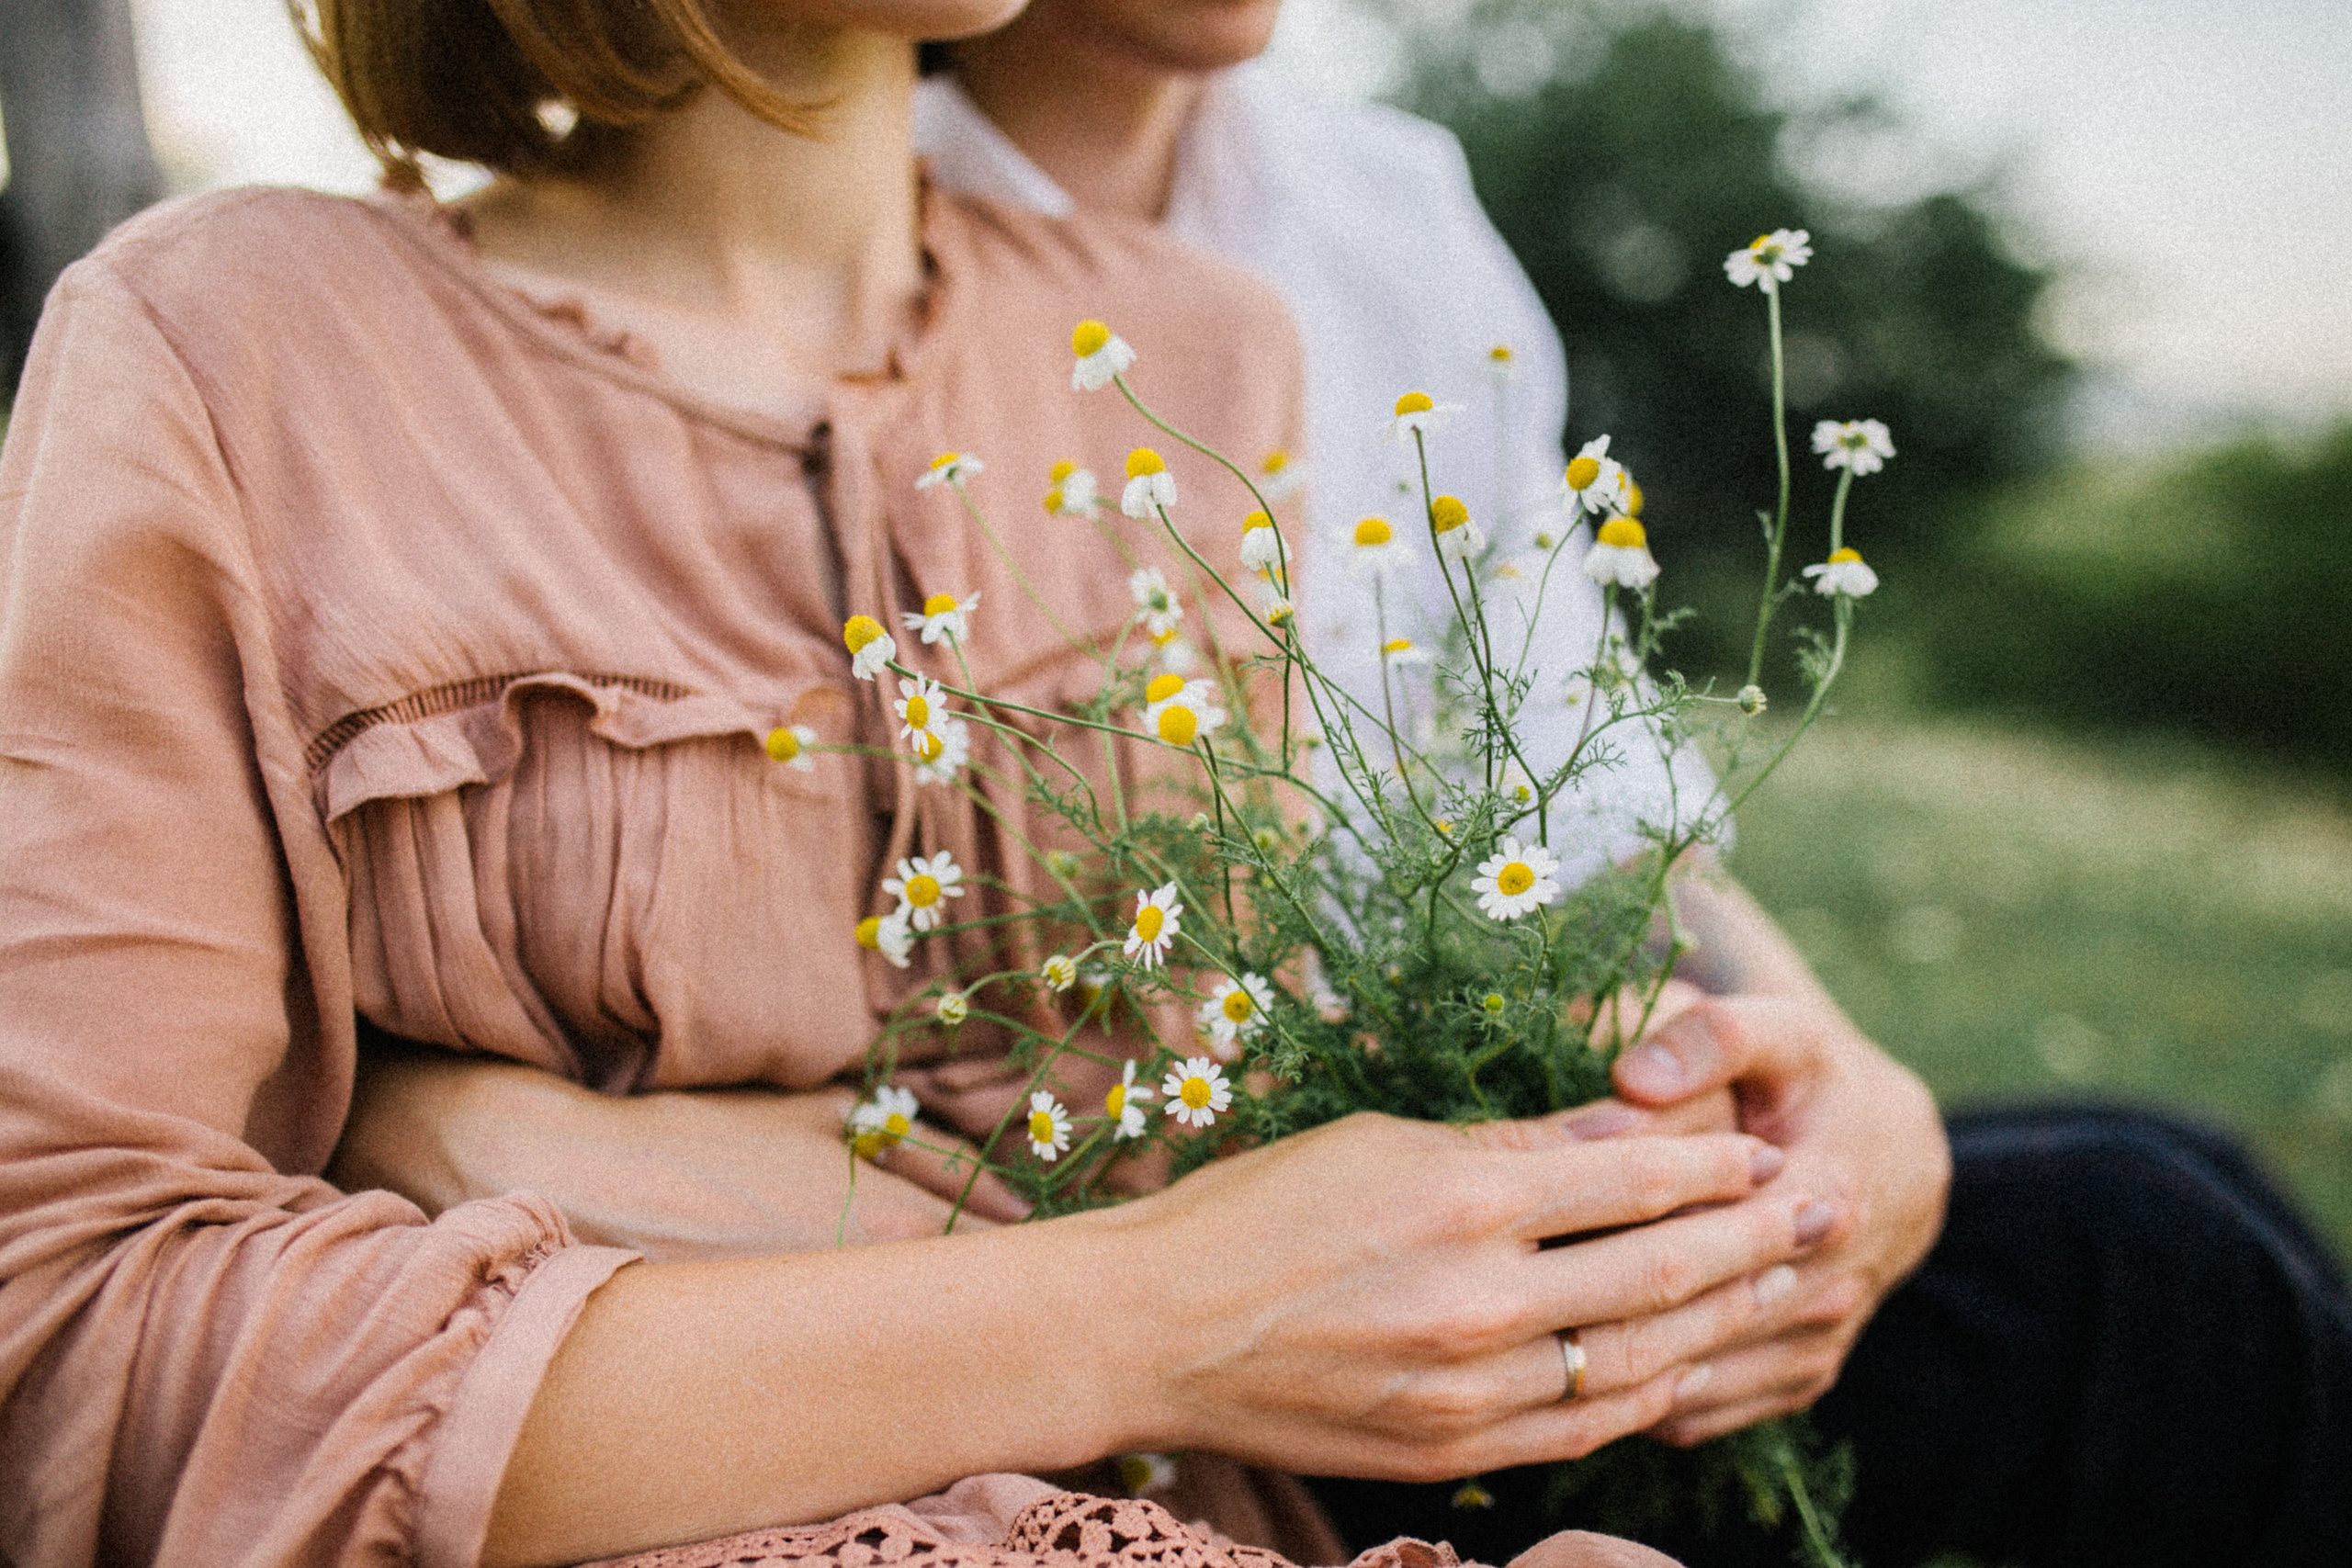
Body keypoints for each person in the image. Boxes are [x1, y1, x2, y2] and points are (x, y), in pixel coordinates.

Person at [0, 2, 1849, 1565]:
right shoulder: (233, 342)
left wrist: (1576, 1103)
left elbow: (1214, 1095)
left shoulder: (1192, 352)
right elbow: (65, 1327)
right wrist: (1150, 1309)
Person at [910, 6, 2352, 1565]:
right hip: (1235, 1276)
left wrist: (1842, 1093)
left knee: (2191, 1191)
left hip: (1491, 1168)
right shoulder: (855, 249)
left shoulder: (1379, 199)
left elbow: (1583, 799)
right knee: (2151, 1269)